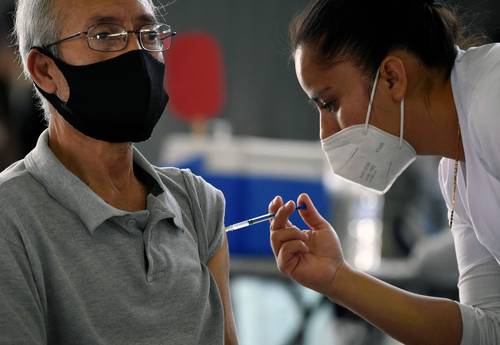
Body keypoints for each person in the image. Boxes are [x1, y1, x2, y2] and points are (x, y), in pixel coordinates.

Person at [0, 0, 238, 344]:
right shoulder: (11, 218)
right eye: (105, 35)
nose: (137, 53)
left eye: (149, 34)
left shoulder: (196, 203)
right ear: (45, 70)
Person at [269, 0, 500, 344]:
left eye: (330, 104)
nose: (325, 134)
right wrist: (337, 279)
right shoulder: (454, 172)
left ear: (392, 78)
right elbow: (488, 331)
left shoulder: (490, 101)